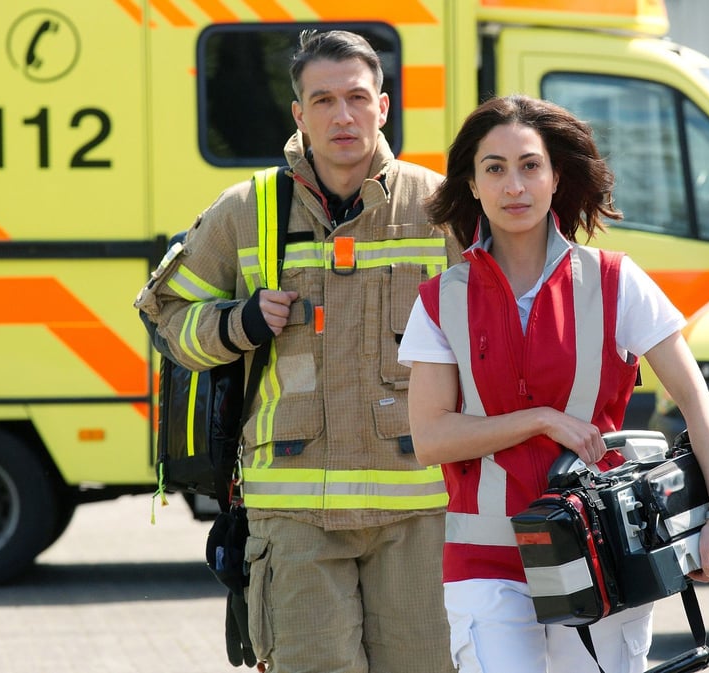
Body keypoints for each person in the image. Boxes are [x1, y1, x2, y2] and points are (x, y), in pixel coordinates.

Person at [135, 30, 459, 673]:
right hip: (294, 517)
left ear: (383, 107)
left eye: (357, 98)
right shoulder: (246, 210)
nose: (343, 116)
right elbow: (166, 316)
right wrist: (240, 323)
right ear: (299, 115)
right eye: (323, 100)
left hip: (419, 515)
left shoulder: (440, 207)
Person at [397, 94, 709, 673]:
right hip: (486, 560)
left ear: (556, 177)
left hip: (603, 549)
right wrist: (540, 420)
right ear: (473, 185)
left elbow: (695, 400)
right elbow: (430, 439)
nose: (514, 186)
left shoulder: (617, 281)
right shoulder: (439, 300)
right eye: (494, 168)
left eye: (530, 165)